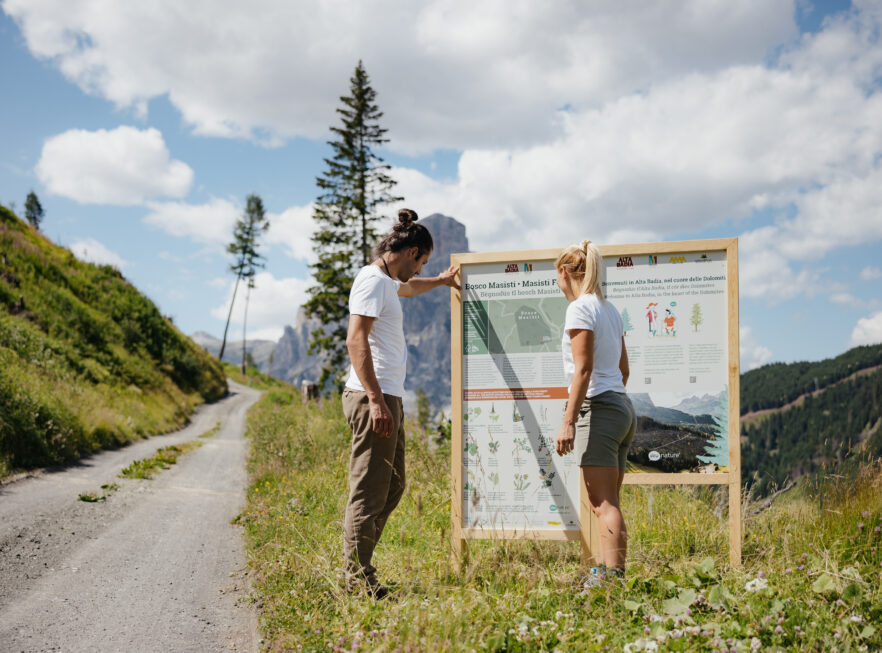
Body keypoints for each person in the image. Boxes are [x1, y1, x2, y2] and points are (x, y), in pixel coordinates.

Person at [342, 208, 459, 598]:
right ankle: (358, 580)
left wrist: (440, 281)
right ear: (410, 251)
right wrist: (376, 400)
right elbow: (355, 339)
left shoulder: (388, 282)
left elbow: (407, 288)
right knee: (369, 491)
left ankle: (359, 566)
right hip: (372, 396)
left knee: (393, 485)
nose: (419, 269)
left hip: (388, 396)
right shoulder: (372, 282)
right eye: (422, 262)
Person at [554, 240, 636, 585]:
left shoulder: (579, 308)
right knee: (608, 501)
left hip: (599, 408)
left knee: (602, 504)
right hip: (620, 407)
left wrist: (569, 421)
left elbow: (582, 369)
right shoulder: (610, 310)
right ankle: (604, 574)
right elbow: (624, 370)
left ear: (564, 273)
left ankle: (612, 580)